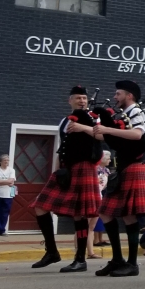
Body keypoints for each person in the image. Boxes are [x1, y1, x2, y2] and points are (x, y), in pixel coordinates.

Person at [31, 85, 104, 271]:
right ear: (70, 100)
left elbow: (101, 136)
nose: (82, 101)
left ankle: (80, 259)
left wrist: (82, 127)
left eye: (84, 98)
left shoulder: (94, 119)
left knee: (79, 214)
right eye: (78, 98)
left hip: (84, 167)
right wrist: (56, 171)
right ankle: (52, 252)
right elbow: (61, 148)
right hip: (66, 169)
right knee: (40, 206)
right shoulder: (64, 121)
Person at [93, 80, 145, 277]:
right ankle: (117, 260)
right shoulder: (123, 114)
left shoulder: (136, 112)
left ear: (129, 95)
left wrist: (106, 130)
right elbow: (107, 136)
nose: (115, 97)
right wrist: (87, 127)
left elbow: (137, 134)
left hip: (134, 167)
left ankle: (132, 264)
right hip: (122, 168)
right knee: (105, 212)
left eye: (118, 94)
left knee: (129, 215)